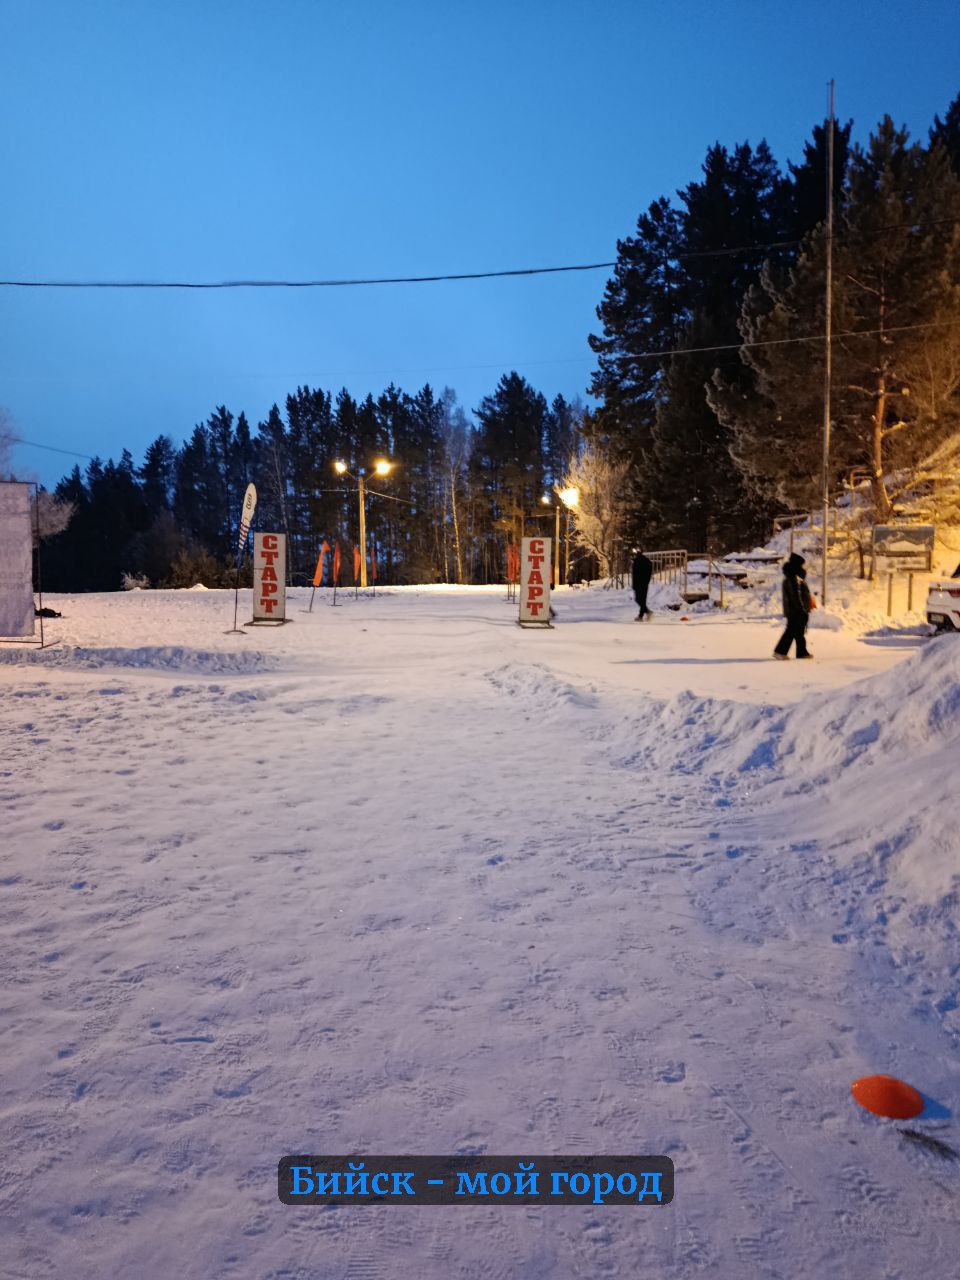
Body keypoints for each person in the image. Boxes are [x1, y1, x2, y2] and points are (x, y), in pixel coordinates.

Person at [774, 552, 813, 659]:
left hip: (794, 610)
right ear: (797, 565)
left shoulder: (792, 577)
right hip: (796, 611)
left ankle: (802, 652)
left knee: (799, 632)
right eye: (802, 565)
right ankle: (780, 652)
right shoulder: (794, 578)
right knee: (791, 631)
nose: (804, 567)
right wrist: (802, 609)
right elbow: (796, 596)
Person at [631, 548, 653, 621]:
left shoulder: (636, 561)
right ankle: (640, 616)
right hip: (645, 583)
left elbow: (635, 574)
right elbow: (650, 570)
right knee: (643, 600)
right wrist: (647, 580)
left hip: (638, 583)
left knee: (638, 599)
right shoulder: (646, 560)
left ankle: (647, 612)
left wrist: (634, 585)